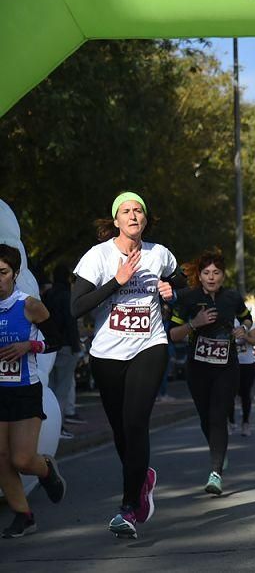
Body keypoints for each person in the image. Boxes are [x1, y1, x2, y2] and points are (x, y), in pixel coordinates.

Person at [71, 192, 186, 538]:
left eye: (139, 210)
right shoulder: (99, 256)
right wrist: (117, 281)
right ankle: (142, 480)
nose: (133, 215)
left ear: (145, 220)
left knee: (136, 423)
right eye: (126, 211)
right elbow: (77, 307)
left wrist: (172, 292)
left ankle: (127, 508)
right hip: (106, 354)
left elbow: (182, 285)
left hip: (149, 346)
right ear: (116, 221)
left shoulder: (159, 254)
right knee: (121, 430)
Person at [168, 249, 253, 496]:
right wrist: (195, 323)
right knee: (206, 418)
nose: (211, 277)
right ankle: (219, 451)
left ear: (224, 276)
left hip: (227, 367)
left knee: (218, 417)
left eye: (216, 272)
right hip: (198, 367)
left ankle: (216, 472)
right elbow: (172, 335)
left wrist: (243, 330)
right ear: (200, 276)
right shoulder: (187, 298)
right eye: (206, 273)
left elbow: (247, 318)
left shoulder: (232, 297)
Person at [0, 244, 68, 538]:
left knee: (21, 460)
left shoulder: (29, 305)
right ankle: (23, 515)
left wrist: (30, 345)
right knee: (0, 457)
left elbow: (56, 340)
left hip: (24, 389)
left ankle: (46, 469)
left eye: (2, 272)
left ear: (14, 273)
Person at [42, 265, 83, 431]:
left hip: (50, 346)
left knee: (50, 387)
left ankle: (47, 425)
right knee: (63, 388)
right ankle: (58, 426)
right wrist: (76, 346)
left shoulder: (47, 296)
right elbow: (71, 323)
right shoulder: (67, 296)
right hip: (66, 345)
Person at [229, 318, 255, 437]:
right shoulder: (226, 317)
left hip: (247, 363)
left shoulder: (249, 322)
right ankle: (230, 421)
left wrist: (244, 335)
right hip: (229, 363)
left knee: (245, 394)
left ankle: (245, 423)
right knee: (229, 394)